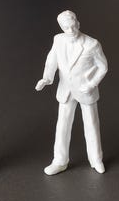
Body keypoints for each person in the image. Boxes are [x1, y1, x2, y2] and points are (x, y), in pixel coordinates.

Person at [36, 10, 108, 175]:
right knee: (62, 126)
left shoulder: (92, 44)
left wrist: (91, 84)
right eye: (66, 28)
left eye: (73, 26)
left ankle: (96, 159)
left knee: (91, 125)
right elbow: (52, 59)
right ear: (61, 28)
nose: (71, 30)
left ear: (78, 24)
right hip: (66, 90)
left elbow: (103, 67)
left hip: (86, 90)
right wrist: (46, 78)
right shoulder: (58, 39)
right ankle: (60, 161)